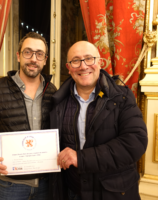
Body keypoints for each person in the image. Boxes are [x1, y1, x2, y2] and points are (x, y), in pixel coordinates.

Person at [49, 41, 148, 200]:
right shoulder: (58, 102)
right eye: (76, 61)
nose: (83, 66)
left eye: (89, 58)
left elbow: (135, 143)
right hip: (73, 191)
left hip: (112, 193)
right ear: (69, 68)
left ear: (100, 63)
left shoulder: (122, 97)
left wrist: (80, 158)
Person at [0, 32, 57, 200]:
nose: (33, 59)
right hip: (10, 184)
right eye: (28, 52)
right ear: (18, 56)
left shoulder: (53, 91)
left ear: (45, 59)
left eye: (39, 54)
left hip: (46, 184)